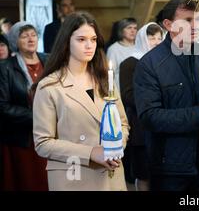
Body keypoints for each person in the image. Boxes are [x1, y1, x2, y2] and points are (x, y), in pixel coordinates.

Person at [134, 0, 199, 191]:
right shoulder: (150, 64)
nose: (195, 25)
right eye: (187, 20)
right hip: (170, 167)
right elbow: (150, 117)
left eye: (198, 19)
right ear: (168, 24)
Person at [32, 12, 129, 191]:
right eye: (81, 39)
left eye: (93, 39)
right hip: (74, 175)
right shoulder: (49, 86)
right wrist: (91, 152)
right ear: (66, 42)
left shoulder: (105, 80)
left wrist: (114, 148)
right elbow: (43, 143)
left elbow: (122, 123)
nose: (89, 45)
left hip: (111, 175)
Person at [0, 22, 48, 191]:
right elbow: (3, 107)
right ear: (15, 41)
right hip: (22, 139)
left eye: (33, 34)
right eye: (24, 35)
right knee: (28, 182)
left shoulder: (49, 60)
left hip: (52, 134)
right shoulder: (5, 67)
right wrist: (37, 117)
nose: (30, 38)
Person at [120, 22, 163, 191]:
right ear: (142, 39)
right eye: (152, 37)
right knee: (143, 174)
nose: (157, 42)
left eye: (160, 38)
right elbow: (128, 95)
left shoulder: (164, 61)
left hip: (162, 124)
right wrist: (156, 101)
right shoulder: (129, 63)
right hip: (140, 125)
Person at [106, 18, 138, 94]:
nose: (133, 31)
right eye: (129, 28)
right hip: (121, 89)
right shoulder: (113, 49)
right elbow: (110, 74)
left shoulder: (140, 46)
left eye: (135, 28)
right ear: (122, 30)